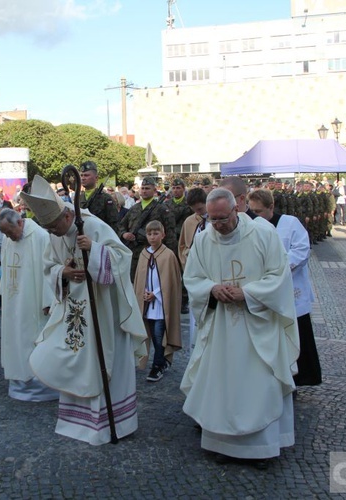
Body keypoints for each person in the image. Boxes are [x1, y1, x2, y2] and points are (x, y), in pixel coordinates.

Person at [22, 175, 146, 445]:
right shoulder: (54, 234)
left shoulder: (92, 225)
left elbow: (123, 258)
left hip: (104, 310)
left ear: (66, 217)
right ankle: (77, 422)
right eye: (49, 229)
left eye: (54, 227)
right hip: (75, 309)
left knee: (104, 362)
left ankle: (115, 424)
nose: (53, 233)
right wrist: (63, 271)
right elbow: (49, 266)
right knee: (74, 357)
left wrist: (95, 249)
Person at [181, 188, 299, 468]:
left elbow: (279, 275)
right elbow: (193, 277)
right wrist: (212, 289)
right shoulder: (203, 239)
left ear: (237, 209)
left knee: (259, 383)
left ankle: (262, 449)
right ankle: (223, 444)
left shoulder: (263, 234)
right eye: (212, 220)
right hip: (221, 326)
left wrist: (248, 293)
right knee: (222, 385)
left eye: (223, 218)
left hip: (257, 325)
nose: (218, 225)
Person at [247, 189, 321, 386]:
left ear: (271, 207)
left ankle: (299, 378)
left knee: (296, 334)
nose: (256, 216)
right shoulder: (251, 227)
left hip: (291, 287)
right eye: (252, 211)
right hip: (266, 292)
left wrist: (277, 268)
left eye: (260, 211)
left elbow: (302, 250)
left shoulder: (290, 223)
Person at [0, 208, 59, 401]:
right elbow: (6, 267)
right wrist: (3, 293)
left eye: (9, 232)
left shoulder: (39, 236)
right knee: (14, 338)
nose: (8, 237)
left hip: (33, 300)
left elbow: (48, 270)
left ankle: (38, 383)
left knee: (32, 337)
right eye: (5, 233)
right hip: (14, 299)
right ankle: (17, 378)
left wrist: (48, 300)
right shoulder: (8, 238)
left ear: (20, 223)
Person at [133, 220, 182, 382]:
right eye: (149, 234)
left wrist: (155, 293)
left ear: (163, 235)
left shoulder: (168, 255)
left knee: (159, 335)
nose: (152, 237)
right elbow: (141, 278)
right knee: (151, 334)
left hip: (161, 304)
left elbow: (171, 281)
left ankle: (157, 366)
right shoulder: (144, 254)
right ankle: (160, 361)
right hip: (147, 303)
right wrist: (144, 293)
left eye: (156, 233)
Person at [118, 176, 176, 281]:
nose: (144, 191)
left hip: (154, 253)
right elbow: (121, 225)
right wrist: (124, 234)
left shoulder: (162, 209)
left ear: (154, 190)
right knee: (135, 282)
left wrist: (169, 255)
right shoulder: (134, 208)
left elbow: (170, 234)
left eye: (147, 188)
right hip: (134, 253)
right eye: (143, 188)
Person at [77, 161, 118, 232]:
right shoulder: (78, 198)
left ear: (96, 178)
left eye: (86, 175)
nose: (83, 178)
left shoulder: (106, 198)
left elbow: (114, 224)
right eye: (81, 175)